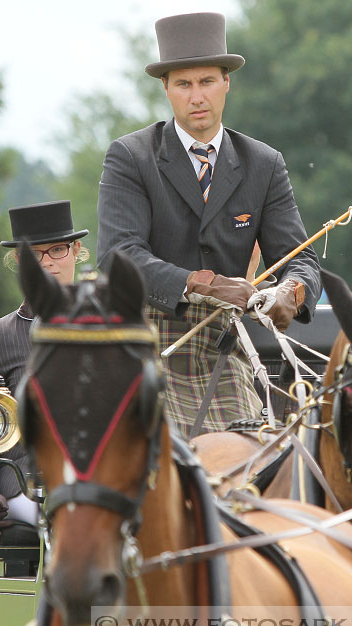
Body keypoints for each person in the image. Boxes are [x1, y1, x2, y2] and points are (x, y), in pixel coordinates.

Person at [96, 12, 321, 435]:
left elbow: (301, 258)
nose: (196, 96)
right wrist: (208, 284)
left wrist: (290, 293)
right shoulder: (131, 157)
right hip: (146, 346)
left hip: (223, 350)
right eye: (183, 84)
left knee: (260, 458)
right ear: (166, 88)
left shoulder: (264, 164)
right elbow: (117, 256)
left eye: (207, 82)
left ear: (227, 83)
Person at [0, 200, 89, 536]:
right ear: (19, 260)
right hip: (26, 487)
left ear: (76, 251)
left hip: (96, 476)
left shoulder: (106, 329)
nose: (47, 262)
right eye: (35, 253)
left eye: (57, 250)